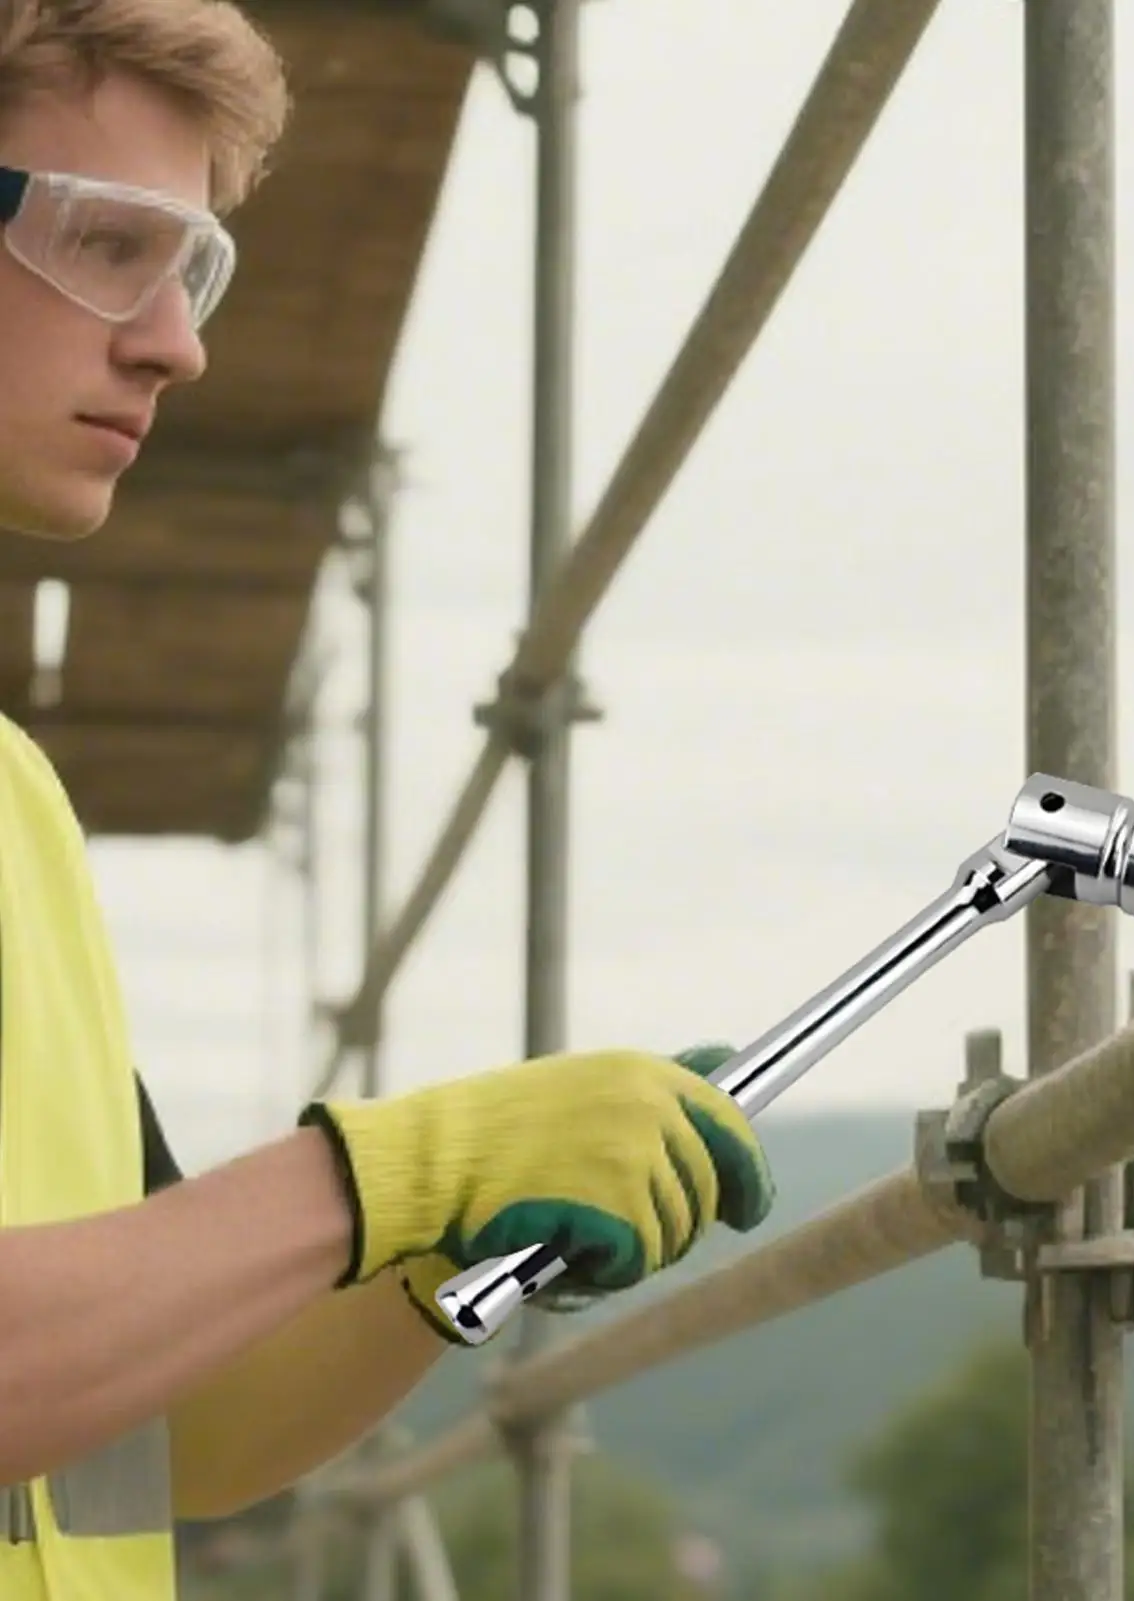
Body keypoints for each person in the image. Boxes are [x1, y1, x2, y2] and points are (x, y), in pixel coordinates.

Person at [0, 3, 775, 1598]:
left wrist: (451, 1243)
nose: (176, 339)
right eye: (105, 243)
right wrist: (389, 1170)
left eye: (194, 265)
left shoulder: (15, 799)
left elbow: (165, 1429)